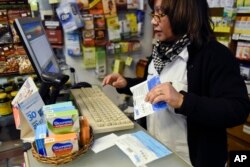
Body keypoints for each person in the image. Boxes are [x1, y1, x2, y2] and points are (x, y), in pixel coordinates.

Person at [102, 0, 250, 166]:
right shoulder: (160, 51)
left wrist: (182, 101)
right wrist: (127, 84)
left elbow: (238, 109)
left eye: (161, 14)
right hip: (154, 152)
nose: (153, 21)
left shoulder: (215, 55)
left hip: (191, 161)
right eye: (154, 13)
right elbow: (154, 86)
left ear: (184, 14)